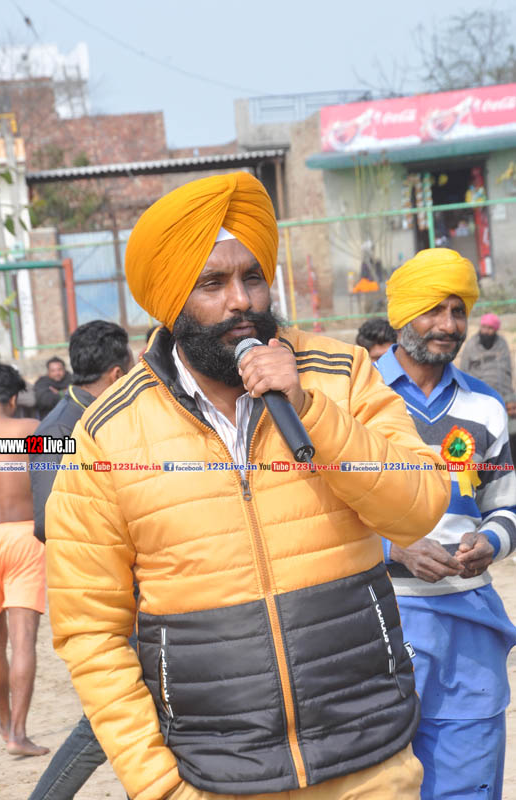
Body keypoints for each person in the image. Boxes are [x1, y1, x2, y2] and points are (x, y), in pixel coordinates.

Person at [45, 172, 451, 800]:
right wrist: (159, 787)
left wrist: (311, 410)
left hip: (369, 758)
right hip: (215, 776)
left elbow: (419, 507)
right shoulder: (107, 433)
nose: (241, 301)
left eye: (252, 277)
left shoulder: (339, 374)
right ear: (171, 300)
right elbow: (90, 630)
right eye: (213, 283)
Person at [376, 248, 516, 800]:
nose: (449, 325)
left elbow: (506, 505)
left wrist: (490, 542)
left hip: (467, 625)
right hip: (377, 619)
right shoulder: (358, 398)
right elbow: (317, 509)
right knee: (378, 779)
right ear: (403, 313)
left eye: (458, 311)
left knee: (468, 780)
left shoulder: (486, 406)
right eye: (434, 309)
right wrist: (397, 548)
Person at [28, 319, 132, 800]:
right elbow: (47, 523)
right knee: (106, 717)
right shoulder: (55, 429)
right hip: (98, 592)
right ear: (116, 374)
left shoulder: (109, 416)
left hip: (132, 583)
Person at [0, 364, 49, 757]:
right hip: (24, 537)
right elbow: (66, 465)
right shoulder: (27, 431)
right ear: (12, 399)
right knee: (23, 639)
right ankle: (18, 736)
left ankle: (6, 720)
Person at [460, 312, 513, 402]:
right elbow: (464, 370)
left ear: (495, 330)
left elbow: (506, 371)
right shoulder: (471, 344)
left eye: (490, 328)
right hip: (478, 395)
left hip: (500, 393)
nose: (486, 331)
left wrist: (508, 397)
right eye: (484, 327)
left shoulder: (501, 344)